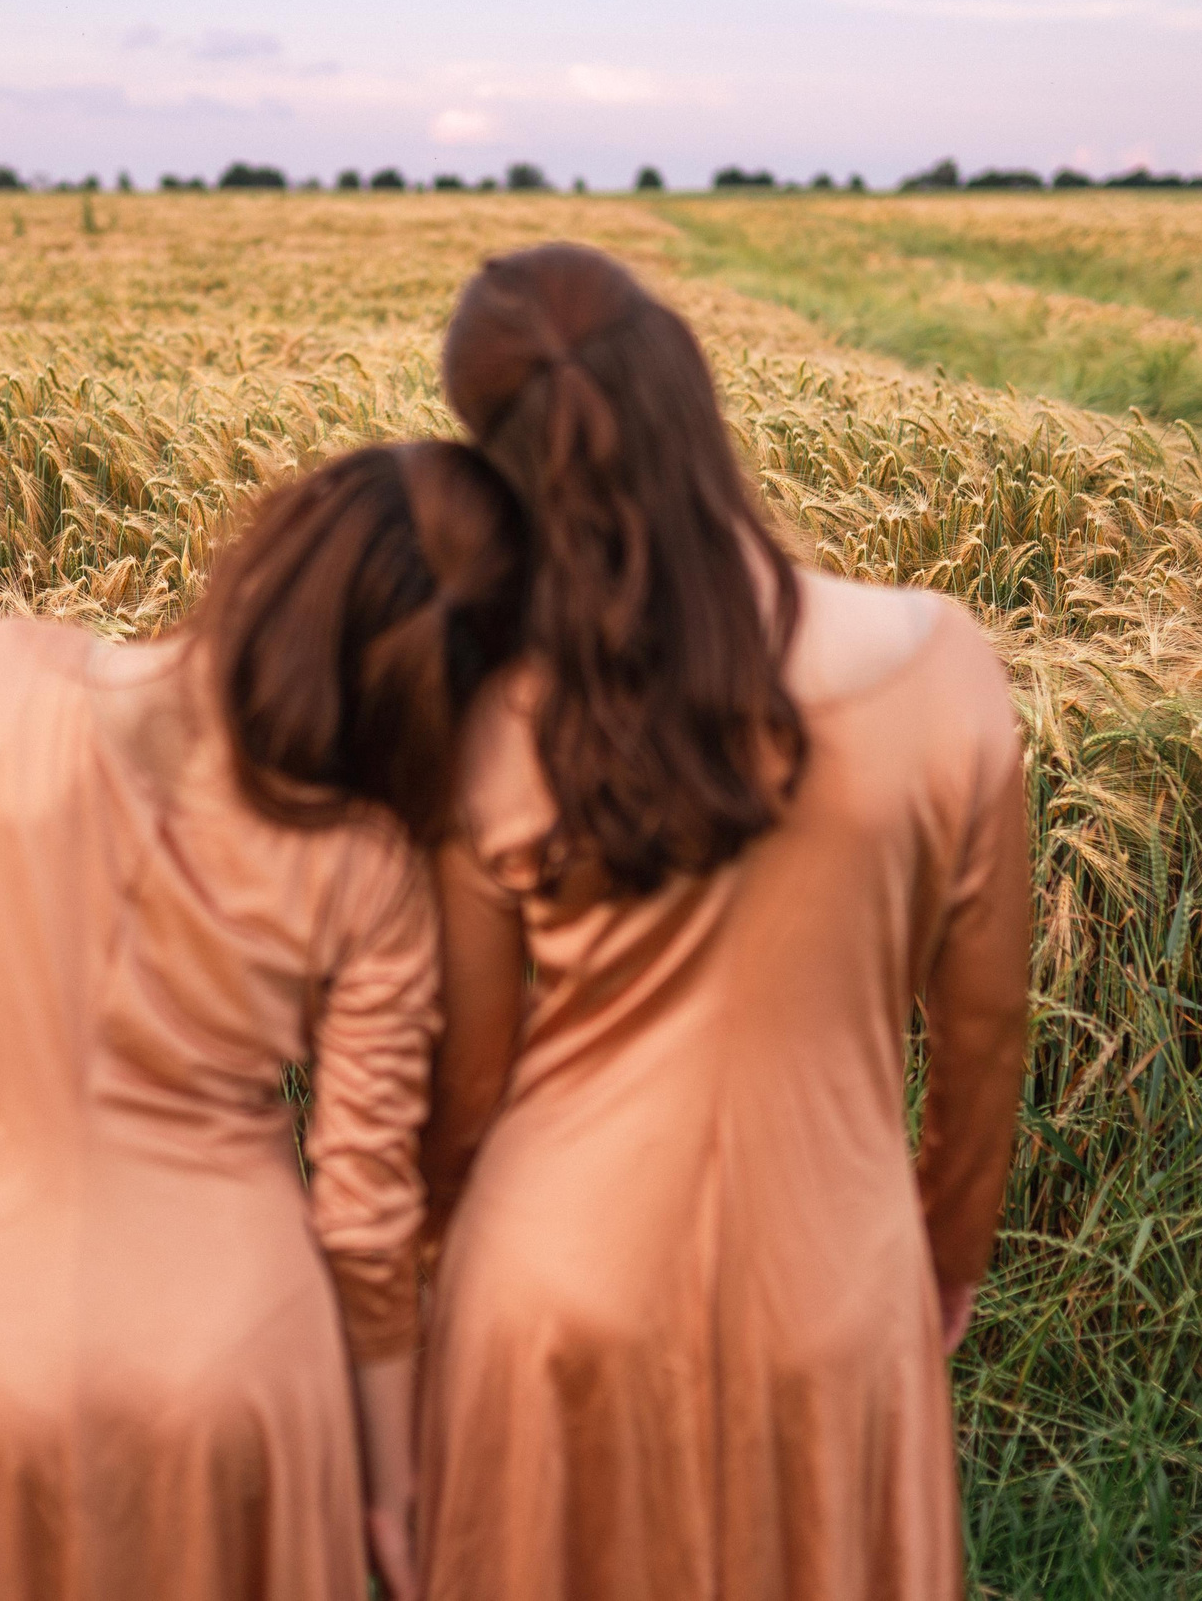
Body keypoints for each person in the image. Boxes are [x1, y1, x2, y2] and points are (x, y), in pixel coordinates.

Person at [0, 441, 529, 1601]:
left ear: (277, 544)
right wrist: (385, 1479)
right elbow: (366, 1220)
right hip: (231, 1379)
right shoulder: (371, 866)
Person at [417, 244, 1033, 1601]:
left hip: (550, 1291)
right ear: (695, 400)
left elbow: (461, 1086)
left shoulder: (493, 715)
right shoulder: (942, 664)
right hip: (833, 1284)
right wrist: (938, 1262)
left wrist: (432, 1288)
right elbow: (985, 1036)